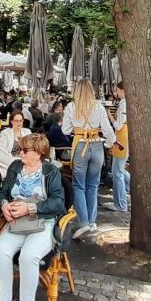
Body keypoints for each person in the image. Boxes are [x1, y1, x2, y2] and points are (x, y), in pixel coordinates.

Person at [0, 133, 66, 301]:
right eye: (20, 149)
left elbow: (59, 202)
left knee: (29, 256)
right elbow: (2, 191)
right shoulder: (15, 167)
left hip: (41, 222)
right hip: (16, 222)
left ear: (39, 153)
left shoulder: (50, 172)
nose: (20, 153)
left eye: (25, 150)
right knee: (1, 251)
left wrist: (30, 208)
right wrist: (4, 205)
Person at [62, 79, 115, 240]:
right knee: (93, 185)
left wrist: (77, 128)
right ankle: (92, 221)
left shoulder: (71, 107)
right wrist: (110, 143)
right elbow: (107, 129)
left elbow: (65, 129)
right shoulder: (98, 106)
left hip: (80, 146)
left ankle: (83, 222)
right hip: (97, 145)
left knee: (78, 185)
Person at [105, 82, 130, 213]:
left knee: (117, 172)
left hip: (122, 139)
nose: (116, 93)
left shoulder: (124, 104)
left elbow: (118, 126)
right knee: (119, 170)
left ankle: (120, 203)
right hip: (124, 139)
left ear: (123, 90)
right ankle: (124, 196)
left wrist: (109, 115)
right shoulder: (126, 104)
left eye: (118, 90)